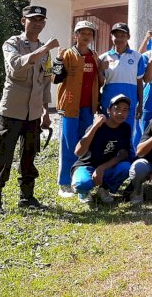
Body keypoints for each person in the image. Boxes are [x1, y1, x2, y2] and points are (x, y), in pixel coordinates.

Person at [0, 5, 59, 214]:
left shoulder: (46, 51)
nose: (38, 23)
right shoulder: (12, 43)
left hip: (34, 113)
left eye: (41, 20)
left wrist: (46, 110)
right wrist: (43, 50)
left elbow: (46, 80)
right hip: (12, 111)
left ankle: (27, 197)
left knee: (29, 155)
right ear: (23, 21)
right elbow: (16, 65)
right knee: (4, 156)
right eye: (33, 19)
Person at [53, 19, 102, 198]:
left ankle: (80, 180)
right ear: (76, 35)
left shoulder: (94, 56)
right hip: (70, 107)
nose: (86, 36)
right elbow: (55, 79)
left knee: (85, 144)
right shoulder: (67, 54)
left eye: (89, 34)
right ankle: (64, 183)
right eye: (83, 33)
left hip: (89, 108)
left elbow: (99, 80)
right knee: (68, 144)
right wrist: (58, 59)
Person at [71, 94, 133, 204]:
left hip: (107, 166)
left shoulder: (125, 128)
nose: (120, 113)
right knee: (81, 183)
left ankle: (104, 189)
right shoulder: (97, 127)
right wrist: (95, 126)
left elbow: (123, 154)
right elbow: (78, 152)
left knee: (126, 167)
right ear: (108, 110)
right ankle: (84, 192)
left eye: (125, 110)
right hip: (86, 165)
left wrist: (102, 168)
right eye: (117, 109)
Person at [99, 22, 146, 148]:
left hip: (129, 105)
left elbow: (139, 82)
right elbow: (99, 82)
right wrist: (99, 70)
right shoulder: (103, 58)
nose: (119, 38)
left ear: (128, 37)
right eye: (116, 35)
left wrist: (140, 104)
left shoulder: (137, 57)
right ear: (111, 36)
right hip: (108, 104)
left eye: (122, 35)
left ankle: (127, 162)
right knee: (107, 135)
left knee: (128, 135)